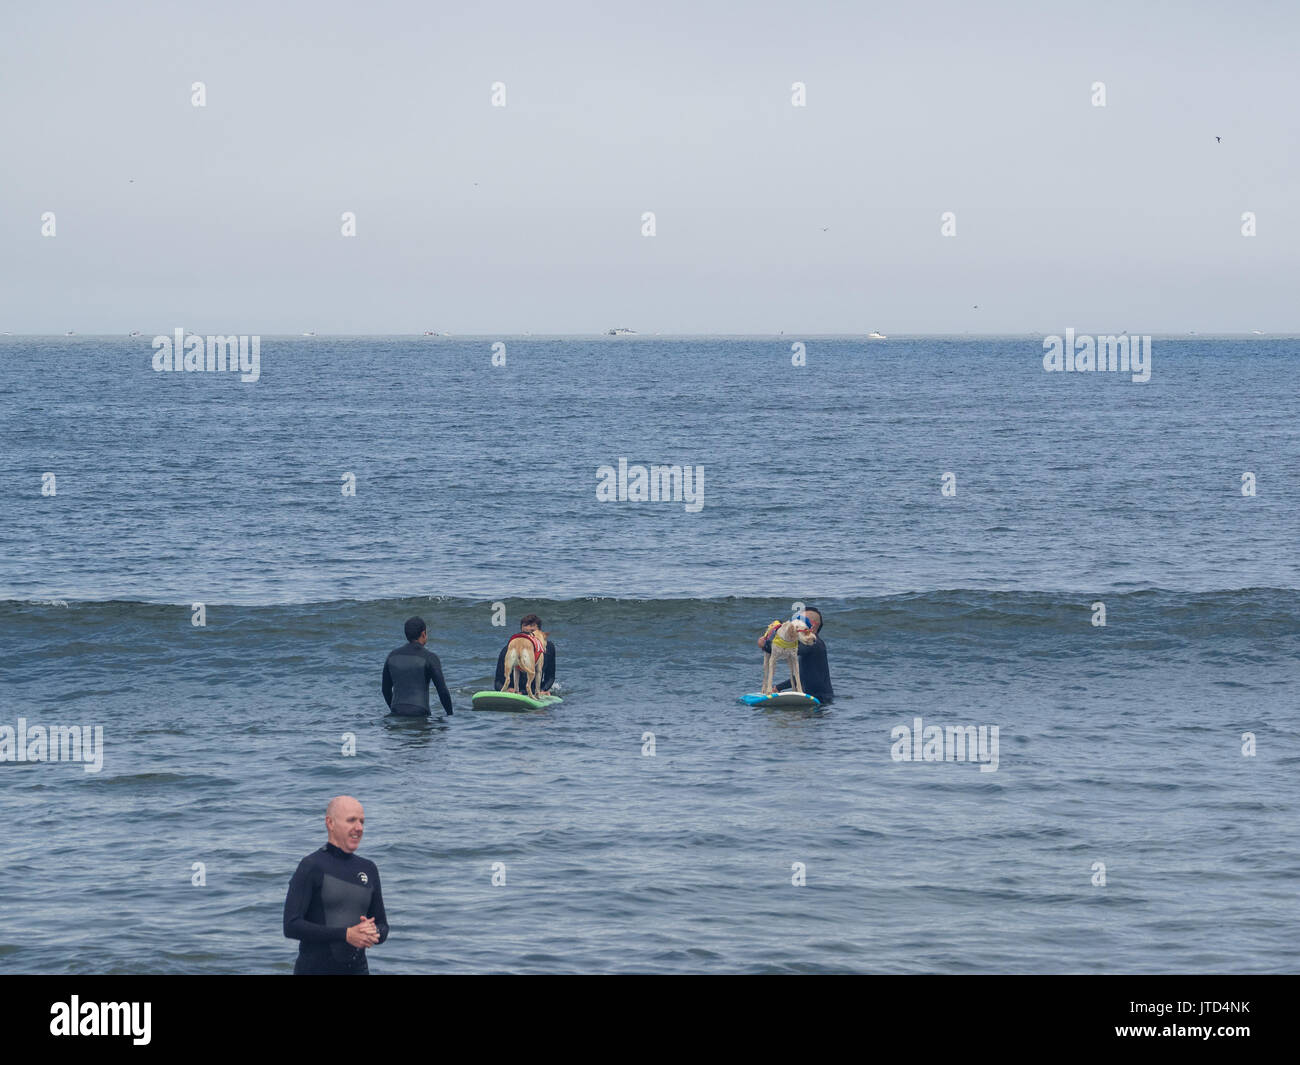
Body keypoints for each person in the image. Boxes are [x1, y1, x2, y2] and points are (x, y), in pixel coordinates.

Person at [283, 795, 389, 975]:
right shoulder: (311, 866)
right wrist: (346, 934)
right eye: (351, 820)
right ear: (330, 823)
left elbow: (383, 925)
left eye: (362, 821)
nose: (359, 828)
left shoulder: (368, 868)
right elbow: (291, 925)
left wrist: (373, 931)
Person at [757, 605, 834, 703]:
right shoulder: (813, 643)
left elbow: (785, 650)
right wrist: (778, 687)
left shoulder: (814, 644)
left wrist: (765, 645)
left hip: (820, 699)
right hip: (818, 697)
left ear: (812, 625)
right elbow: (804, 675)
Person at [382, 615, 453, 716]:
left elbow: (385, 690)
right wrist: (450, 715)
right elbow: (442, 691)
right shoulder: (430, 657)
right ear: (423, 634)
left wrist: (395, 710)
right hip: (420, 713)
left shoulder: (392, 655)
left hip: (396, 712)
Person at [493, 613, 557, 695]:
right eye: (524, 633)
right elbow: (498, 682)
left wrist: (543, 689)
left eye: (532, 633)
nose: (528, 637)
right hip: (514, 691)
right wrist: (508, 689)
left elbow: (550, 677)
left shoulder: (548, 648)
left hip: (534, 690)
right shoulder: (508, 649)